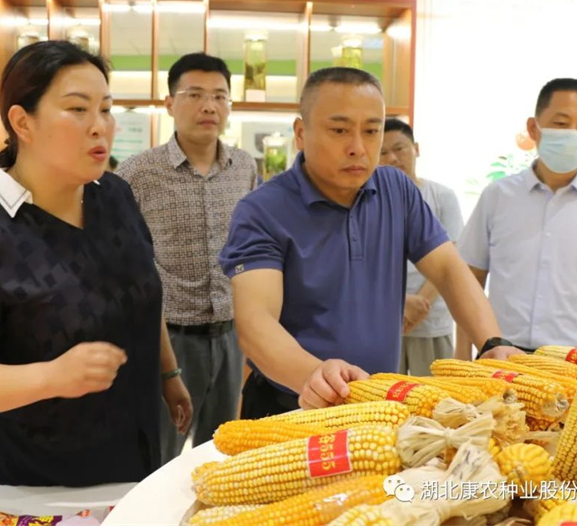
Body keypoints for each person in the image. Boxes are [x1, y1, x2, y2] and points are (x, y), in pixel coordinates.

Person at [0, 41, 192, 487]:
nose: (100, 126)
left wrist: (168, 373)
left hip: (134, 442)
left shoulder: (115, 196)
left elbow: (143, 289)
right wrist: (51, 377)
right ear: (22, 122)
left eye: (106, 109)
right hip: (44, 475)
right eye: (78, 109)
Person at [219, 67, 520, 419]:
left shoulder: (397, 190)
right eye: (339, 130)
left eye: (371, 130)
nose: (358, 148)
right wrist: (313, 375)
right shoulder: (262, 210)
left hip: (379, 405)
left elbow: (449, 270)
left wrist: (492, 342)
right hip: (293, 405)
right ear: (301, 133)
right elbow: (256, 321)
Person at [116, 53, 257, 464]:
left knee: (218, 455)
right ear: (169, 104)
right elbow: (120, 260)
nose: (209, 106)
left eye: (219, 96)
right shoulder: (138, 173)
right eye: (194, 95)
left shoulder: (245, 168)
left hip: (230, 335)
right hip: (166, 339)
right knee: (157, 457)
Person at [455, 78, 577, 358]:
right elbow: (470, 280)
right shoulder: (498, 196)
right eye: (561, 123)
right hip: (501, 356)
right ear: (534, 128)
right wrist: (461, 356)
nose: (573, 134)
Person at [379, 118, 464, 376]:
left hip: (432, 321)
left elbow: (450, 258)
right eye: (383, 152)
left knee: (434, 393)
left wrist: (418, 306)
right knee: (383, 393)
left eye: (399, 148)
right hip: (383, 320)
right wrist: (400, 304)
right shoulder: (369, 200)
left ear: (416, 149)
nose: (393, 158)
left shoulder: (442, 196)